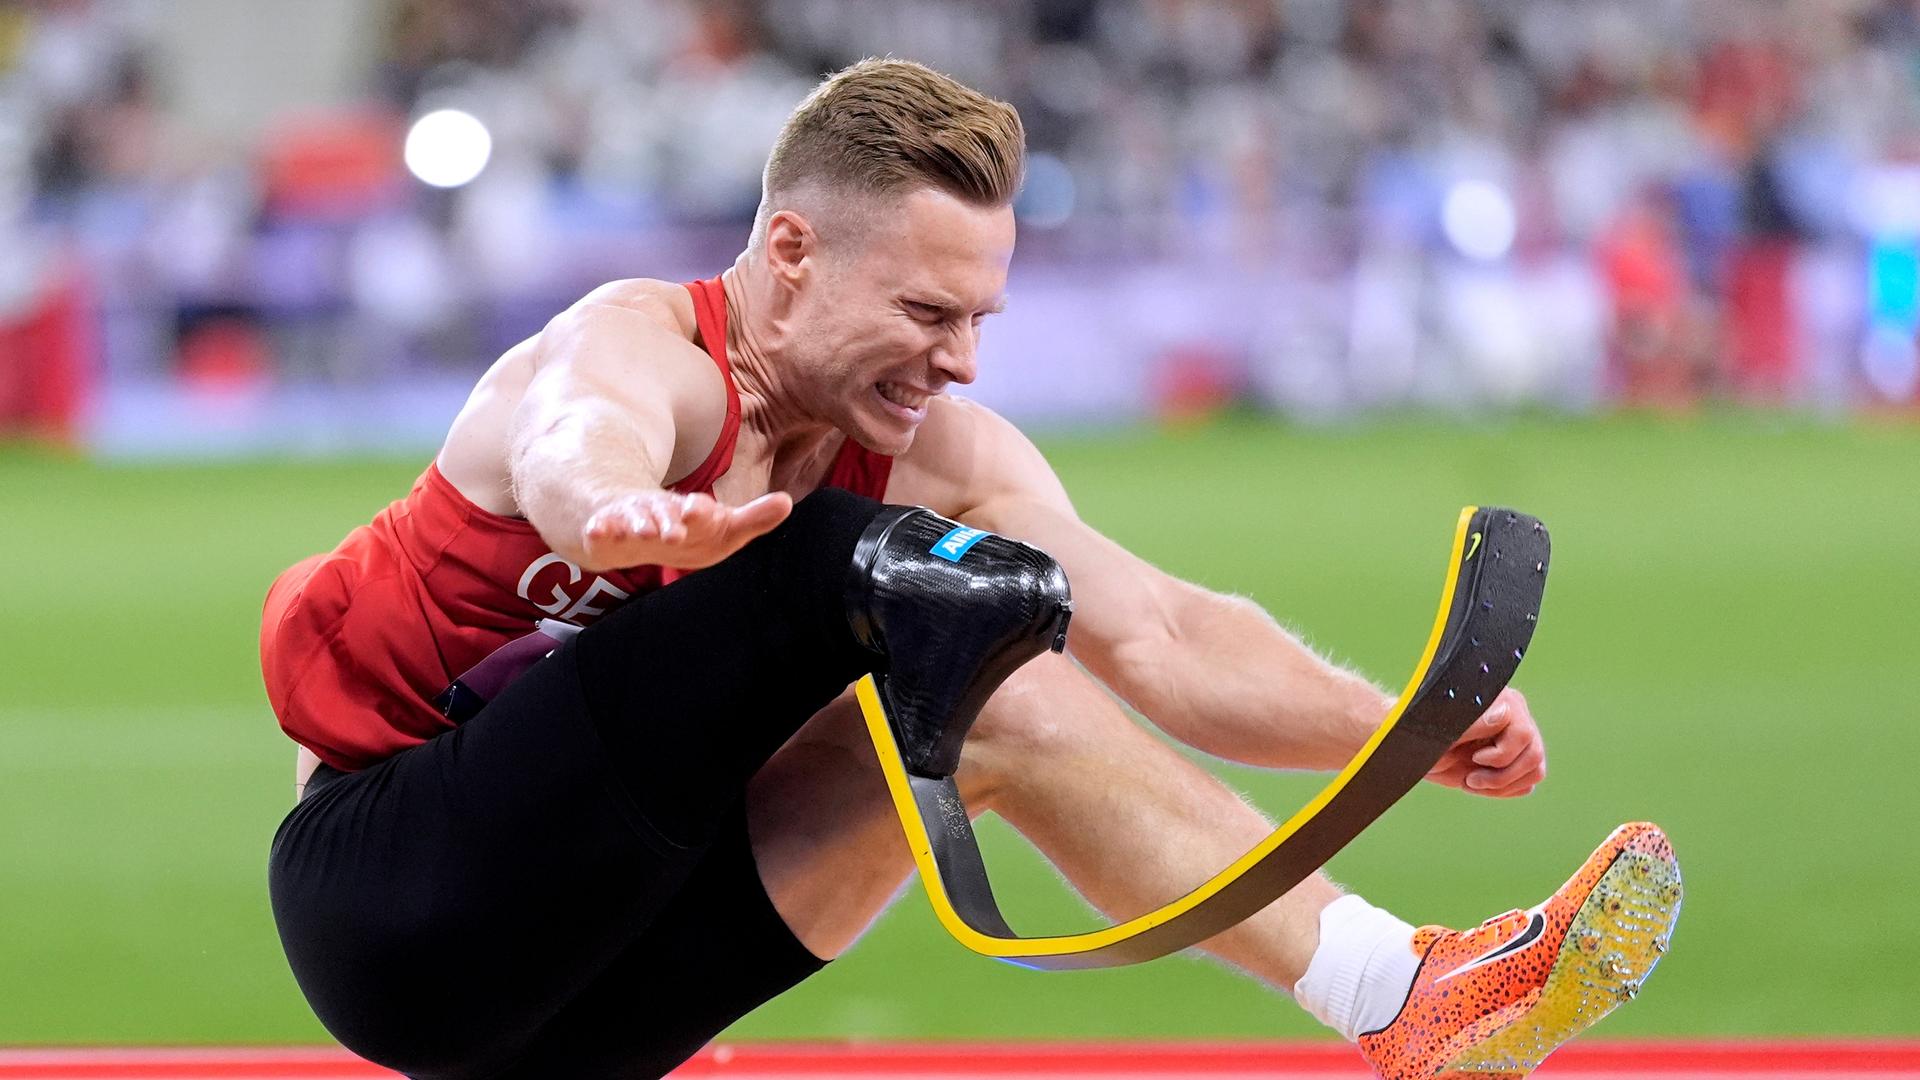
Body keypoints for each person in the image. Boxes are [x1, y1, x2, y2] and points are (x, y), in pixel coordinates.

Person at [261, 58, 1680, 1080]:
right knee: (848, 567)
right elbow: (579, 435)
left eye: (982, 315)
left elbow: (1167, 635)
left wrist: (1391, 730)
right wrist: (625, 514)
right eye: (929, 309)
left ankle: (1404, 996)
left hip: (605, 996)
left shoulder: (940, 453)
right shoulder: (648, 353)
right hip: (398, 912)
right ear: (794, 254)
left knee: (994, 671)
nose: (963, 359)